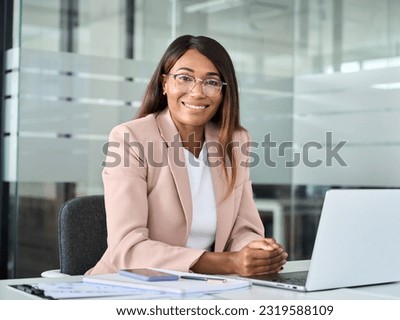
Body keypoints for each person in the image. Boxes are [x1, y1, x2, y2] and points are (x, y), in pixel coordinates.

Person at [87, 35, 287, 276]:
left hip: (205, 288)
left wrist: (256, 251)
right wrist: (229, 263)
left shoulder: (235, 141)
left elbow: (243, 230)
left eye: (212, 82)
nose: (197, 92)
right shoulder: (131, 138)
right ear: (164, 84)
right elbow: (127, 249)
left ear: (224, 92)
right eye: (184, 78)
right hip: (130, 286)